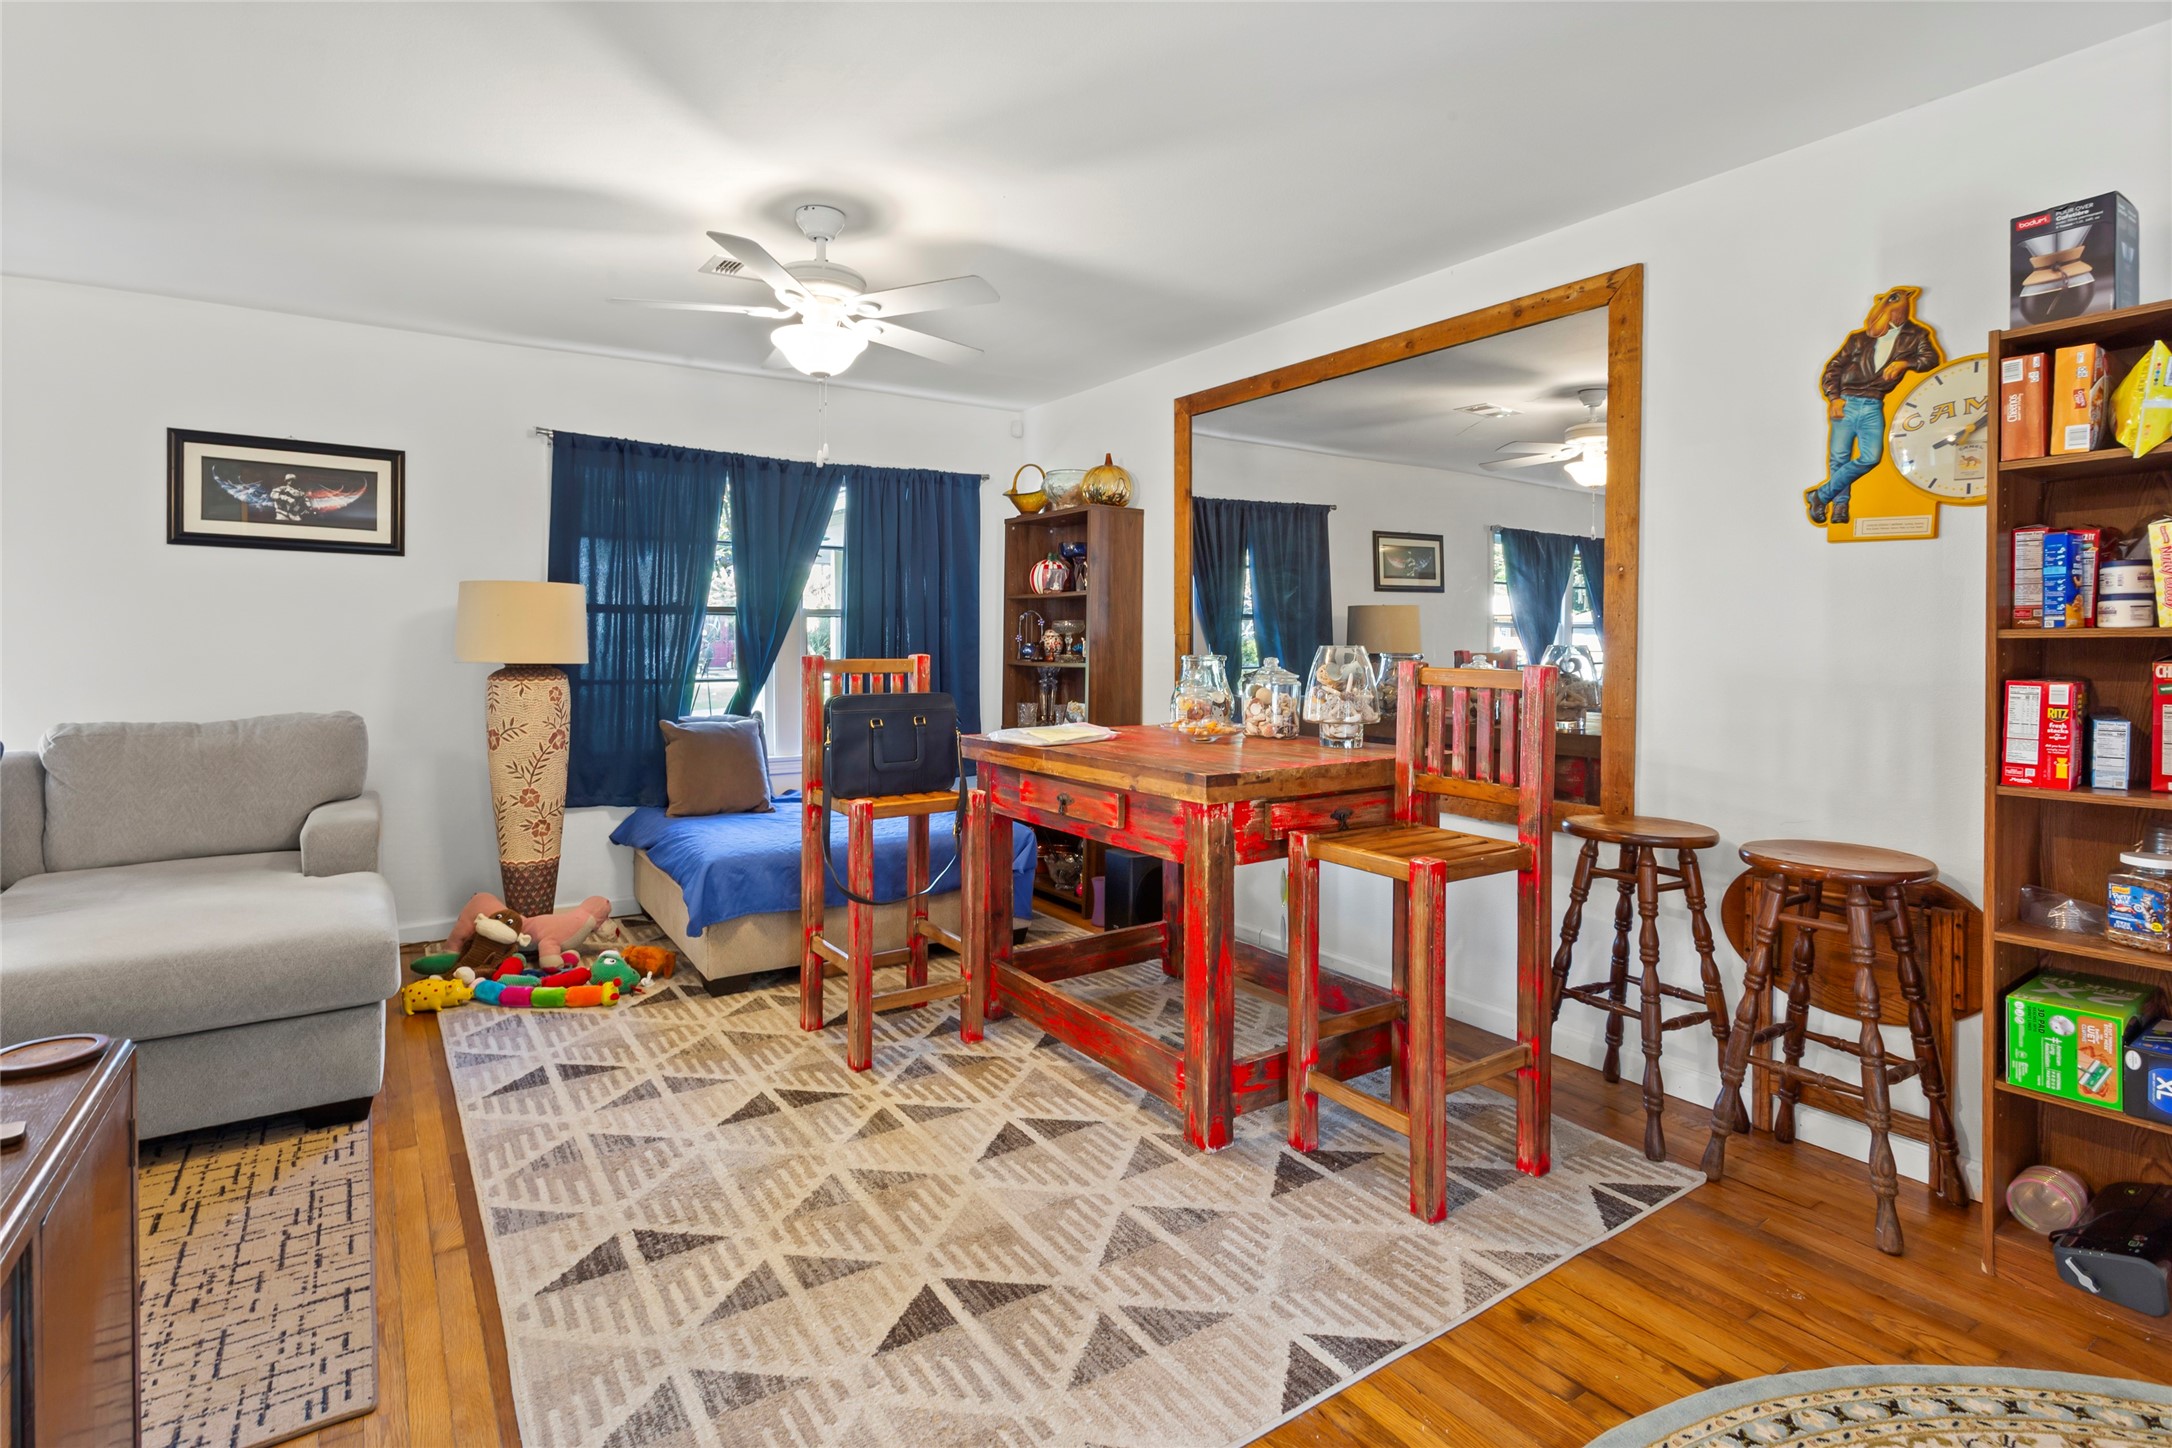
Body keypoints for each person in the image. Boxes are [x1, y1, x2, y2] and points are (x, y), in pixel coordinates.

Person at [1804, 287, 1941, 525]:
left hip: (1873, 403)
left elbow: (1930, 359)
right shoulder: (1859, 339)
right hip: (1846, 401)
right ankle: (1840, 506)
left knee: (1870, 457)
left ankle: (1820, 495)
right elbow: (1834, 368)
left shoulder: (1916, 334)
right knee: (1839, 458)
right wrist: (1834, 398)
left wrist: (1904, 363)